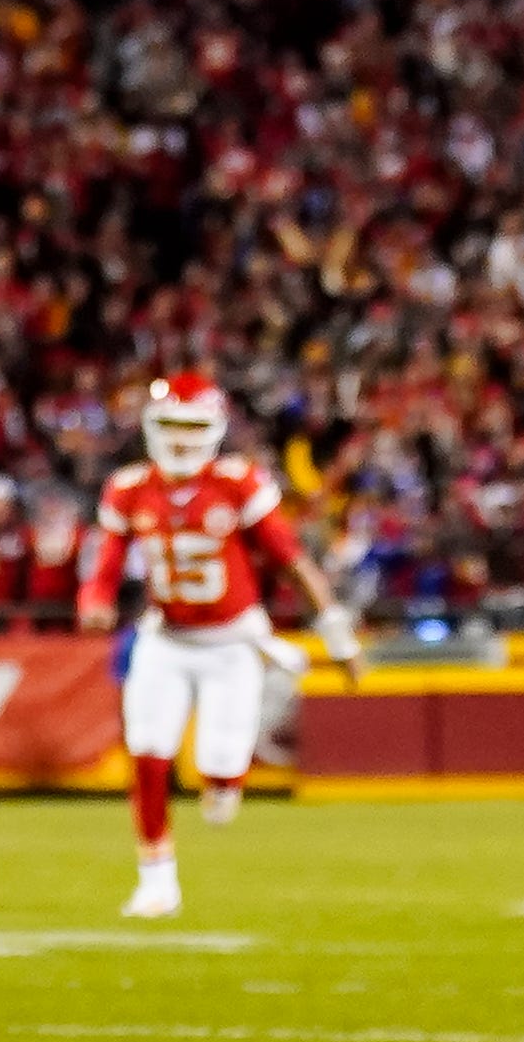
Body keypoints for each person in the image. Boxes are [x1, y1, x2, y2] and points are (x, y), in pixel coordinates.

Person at [78, 375, 365, 919]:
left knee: (220, 768)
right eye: (171, 427)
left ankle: (226, 782)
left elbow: (292, 561)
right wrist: (94, 600)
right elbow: (106, 564)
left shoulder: (238, 484)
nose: (182, 440)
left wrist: (337, 635)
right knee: (147, 752)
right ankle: (157, 881)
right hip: (165, 637)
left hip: (233, 642)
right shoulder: (129, 487)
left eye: (192, 427)